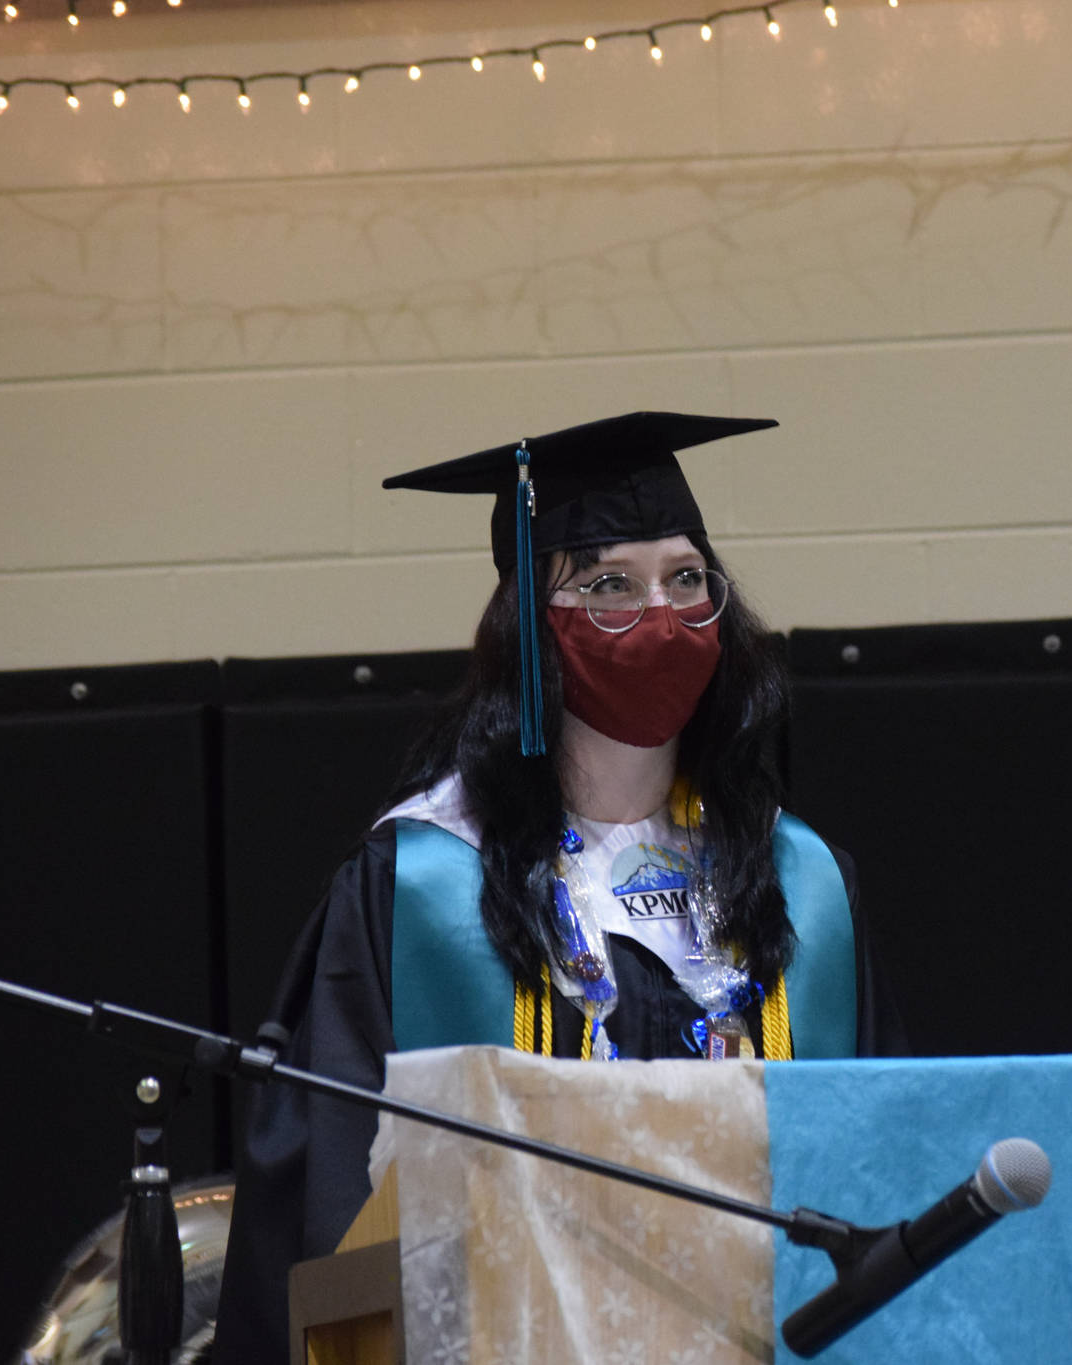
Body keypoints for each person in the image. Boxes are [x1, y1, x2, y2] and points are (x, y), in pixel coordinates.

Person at [211, 411, 905, 1363]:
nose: (660, 615)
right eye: (609, 584)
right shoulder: (419, 883)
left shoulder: (799, 879)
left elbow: (882, 1157)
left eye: (687, 579)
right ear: (530, 630)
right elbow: (329, 1191)